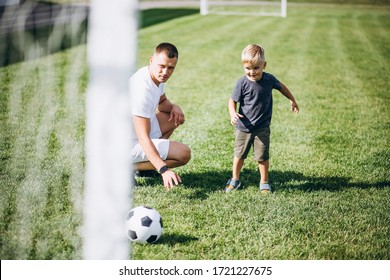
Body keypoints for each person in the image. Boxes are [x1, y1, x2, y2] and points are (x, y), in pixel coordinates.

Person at [225, 44, 299, 194]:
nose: (252, 72)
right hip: (244, 127)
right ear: (243, 66)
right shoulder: (242, 83)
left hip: (262, 127)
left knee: (262, 156)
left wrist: (292, 99)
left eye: (256, 68)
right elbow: (232, 101)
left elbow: (281, 87)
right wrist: (233, 113)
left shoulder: (269, 79)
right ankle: (235, 179)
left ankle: (264, 182)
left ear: (264, 65)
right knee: (239, 155)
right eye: (248, 68)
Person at [129, 42, 191, 191]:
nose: (165, 72)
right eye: (161, 66)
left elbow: (162, 103)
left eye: (171, 68)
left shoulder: (155, 77)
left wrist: (174, 107)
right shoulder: (142, 90)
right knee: (184, 153)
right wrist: (164, 169)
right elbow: (143, 137)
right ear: (152, 60)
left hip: (136, 134)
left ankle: (146, 166)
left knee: (173, 117)